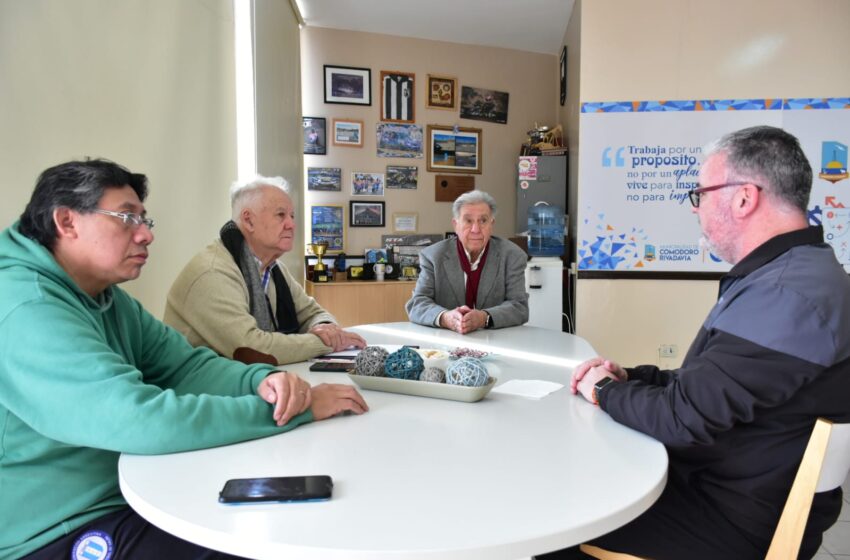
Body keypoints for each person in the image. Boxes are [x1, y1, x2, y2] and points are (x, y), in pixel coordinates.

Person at [0, 159, 368, 560]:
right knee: (259, 548)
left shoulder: (107, 298)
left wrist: (260, 381)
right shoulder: (24, 305)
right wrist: (292, 411)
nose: (145, 235)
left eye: (145, 220)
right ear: (67, 222)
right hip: (58, 526)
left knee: (292, 525)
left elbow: (185, 365)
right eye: (126, 218)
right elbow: (136, 419)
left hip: (132, 487)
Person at [549, 126, 850, 560]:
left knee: (556, 518)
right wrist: (632, 377)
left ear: (744, 198)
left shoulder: (789, 294)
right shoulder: (793, 274)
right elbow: (709, 383)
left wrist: (603, 390)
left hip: (732, 517)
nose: (696, 209)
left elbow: (682, 417)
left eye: (701, 194)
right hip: (728, 486)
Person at [164, 176, 365, 365]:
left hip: (240, 382)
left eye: (292, 216)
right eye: (281, 215)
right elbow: (252, 348)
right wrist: (325, 342)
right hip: (199, 392)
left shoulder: (273, 268)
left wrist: (326, 327)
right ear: (249, 220)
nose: (291, 224)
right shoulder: (213, 272)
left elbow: (311, 312)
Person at [406, 190, 528, 333]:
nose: (476, 229)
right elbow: (417, 304)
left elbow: (519, 307)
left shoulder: (512, 256)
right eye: (468, 221)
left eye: (483, 221)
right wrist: (446, 318)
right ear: (455, 224)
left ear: (491, 224)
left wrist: (484, 317)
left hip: (496, 340)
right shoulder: (433, 256)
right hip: (444, 340)